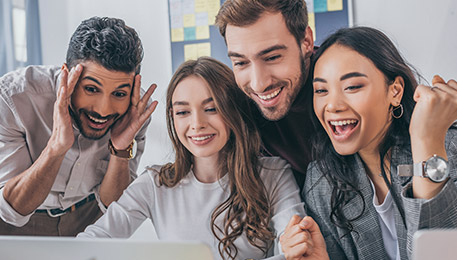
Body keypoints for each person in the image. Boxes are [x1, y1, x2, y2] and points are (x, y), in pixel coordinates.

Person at [78, 57, 325, 260]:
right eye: (183, 112)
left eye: (211, 108)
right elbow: (93, 241)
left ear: (233, 112)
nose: (197, 124)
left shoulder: (273, 174)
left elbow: (294, 246)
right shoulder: (155, 183)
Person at [290, 27, 457, 259]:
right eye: (321, 90)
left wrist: (426, 142)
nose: (333, 105)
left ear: (395, 91)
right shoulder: (322, 183)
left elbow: (441, 253)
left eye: (352, 87)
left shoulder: (449, 149)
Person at [0, 17, 157, 236]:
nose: (103, 110)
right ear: (67, 74)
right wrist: (56, 147)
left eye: (119, 93)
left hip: (87, 216)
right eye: (91, 89)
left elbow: (114, 206)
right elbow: (13, 211)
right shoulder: (15, 97)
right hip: (21, 222)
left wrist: (120, 149)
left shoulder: (135, 111)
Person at [215, 0, 315, 186]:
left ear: (306, 42)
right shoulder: (240, 109)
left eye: (272, 57)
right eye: (241, 63)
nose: (259, 84)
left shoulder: (345, 80)